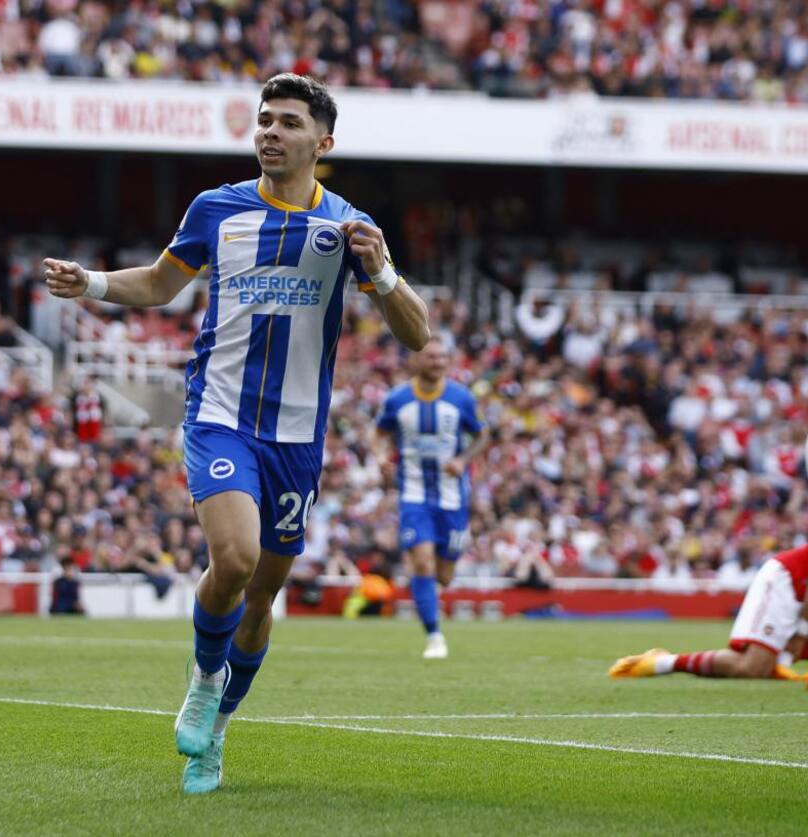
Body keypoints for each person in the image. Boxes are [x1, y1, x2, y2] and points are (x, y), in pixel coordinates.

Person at [42, 73, 430, 795]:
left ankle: (216, 732)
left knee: (261, 598)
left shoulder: (349, 228)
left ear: (323, 142)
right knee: (235, 557)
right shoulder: (216, 208)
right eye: (264, 119)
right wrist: (89, 283)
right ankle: (203, 679)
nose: (271, 132)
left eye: (288, 122)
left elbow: (417, 333)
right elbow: (160, 284)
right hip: (219, 415)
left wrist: (379, 273)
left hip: (296, 436)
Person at [375, 337, 489, 659]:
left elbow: (482, 435)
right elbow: (379, 433)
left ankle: (429, 597)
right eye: (432, 357)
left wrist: (463, 460)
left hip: (452, 498)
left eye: (442, 357)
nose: (438, 362)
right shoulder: (397, 399)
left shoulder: (461, 398)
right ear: (416, 361)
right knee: (422, 560)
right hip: (413, 494)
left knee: (444, 575)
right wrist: (380, 457)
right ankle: (434, 636)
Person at [609, 544, 808, 681]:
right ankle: (660, 663)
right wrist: (801, 633)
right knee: (750, 668)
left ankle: (775, 665)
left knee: (761, 668)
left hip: (797, 583)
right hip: (788, 580)